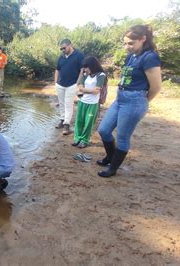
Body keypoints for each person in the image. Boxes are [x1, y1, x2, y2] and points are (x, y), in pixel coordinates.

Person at [97, 25, 162, 177]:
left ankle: (112, 168)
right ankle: (110, 157)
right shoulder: (131, 56)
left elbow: (156, 87)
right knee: (104, 130)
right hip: (120, 98)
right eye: (125, 43)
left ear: (143, 39)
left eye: (131, 43)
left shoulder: (150, 57)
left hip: (135, 100)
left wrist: (143, 101)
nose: (127, 47)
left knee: (122, 137)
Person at [73, 56, 106, 149]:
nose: (85, 69)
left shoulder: (101, 75)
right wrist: (81, 74)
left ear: (92, 66)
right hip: (82, 101)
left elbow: (96, 91)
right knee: (79, 121)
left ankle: (84, 140)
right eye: (84, 67)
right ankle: (77, 138)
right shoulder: (85, 74)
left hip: (92, 104)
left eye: (86, 67)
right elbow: (79, 84)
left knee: (88, 123)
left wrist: (83, 89)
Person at [54, 39, 85, 135]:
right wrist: (55, 83)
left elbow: (82, 70)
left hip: (72, 85)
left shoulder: (79, 55)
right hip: (60, 84)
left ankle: (67, 124)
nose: (62, 50)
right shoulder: (61, 57)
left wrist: (77, 83)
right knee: (61, 103)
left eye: (64, 48)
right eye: (61, 48)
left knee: (68, 104)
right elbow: (57, 70)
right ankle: (62, 120)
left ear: (70, 45)